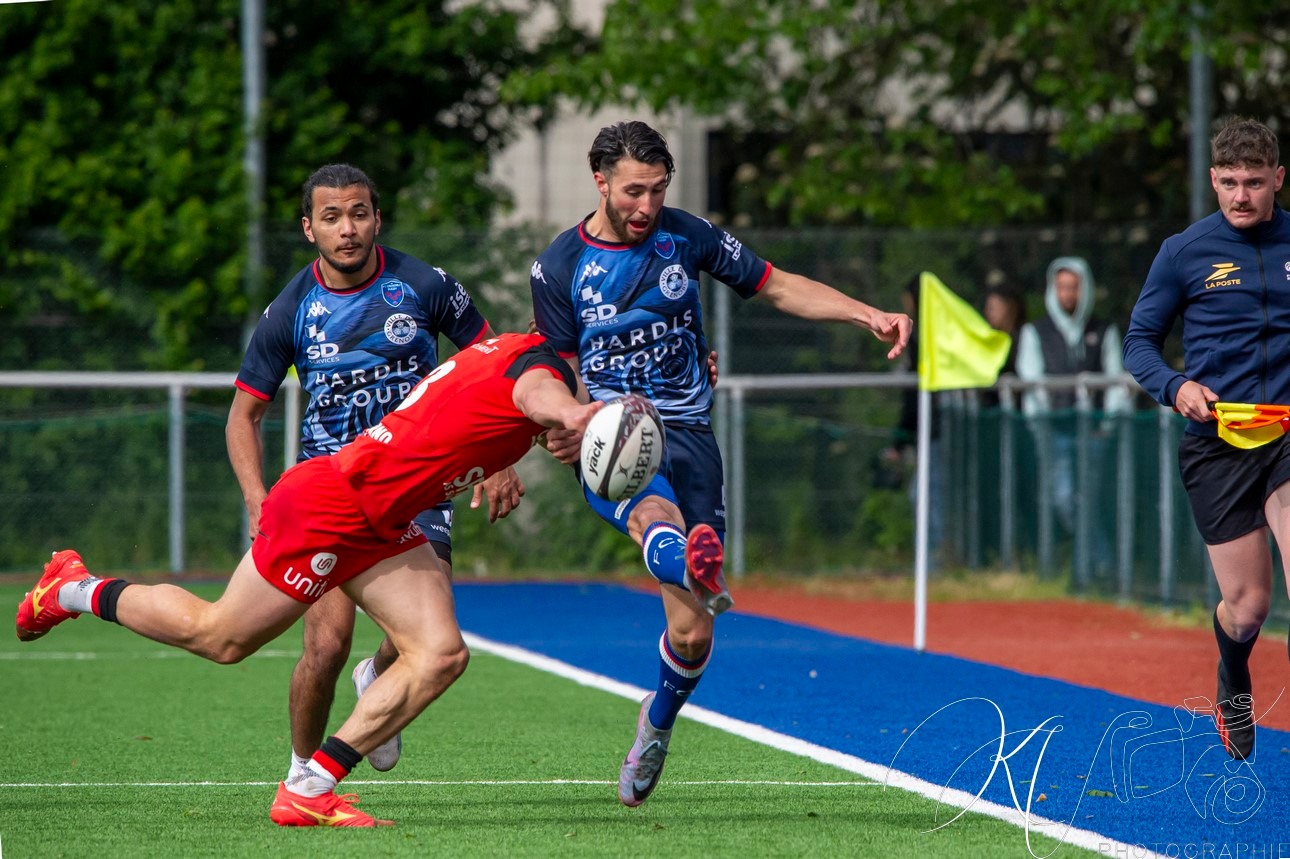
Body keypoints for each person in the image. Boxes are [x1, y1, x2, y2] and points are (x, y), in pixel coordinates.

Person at [16, 331, 605, 826]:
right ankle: (72, 588)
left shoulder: (515, 354)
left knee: (441, 653)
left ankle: (310, 788)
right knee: (221, 637)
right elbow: (540, 391)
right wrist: (575, 414)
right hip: (331, 510)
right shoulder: (542, 365)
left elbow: (522, 404)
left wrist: (572, 419)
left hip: (381, 520)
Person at [528, 120, 912, 807]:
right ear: (601, 183)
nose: (646, 205)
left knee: (693, 629)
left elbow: (778, 284)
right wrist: (561, 425)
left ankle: (657, 723)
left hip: (691, 432)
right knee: (654, 515)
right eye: (633, 191)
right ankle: (689, 556)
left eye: (657, 189)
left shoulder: (687, 235)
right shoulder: (558, 266)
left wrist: (867, 315)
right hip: (615, 435)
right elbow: (555, 371)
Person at [226, 163, 524, 788]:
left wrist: (500, 460)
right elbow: (243, 416)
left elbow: (497, 365)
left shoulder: (425, 285)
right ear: (310, 229)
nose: (348, 229)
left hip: (419, 482)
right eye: (331, 217)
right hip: (332, 488)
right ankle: (303, 765)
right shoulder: (289, 310)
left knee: (427, 633)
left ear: (377, 219)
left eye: (359, 213)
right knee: (326, 645)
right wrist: (256, 497)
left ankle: (378, 677)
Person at [1123, 117, 1290, 762]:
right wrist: (1174, 387)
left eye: (1254, 182)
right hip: (1218, 439)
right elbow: (1138, 343)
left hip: (1288, 434)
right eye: (1229, 183)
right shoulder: (1184, 251)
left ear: (1278, 178)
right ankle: (1233, 675)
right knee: (1248, 608)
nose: (1241, 196)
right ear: (1213, 181)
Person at [1016, 256, 1128, 572]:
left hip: (1092, 432)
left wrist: (1107, 424)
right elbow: (1032, 383)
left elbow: (1115, 379)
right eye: (1062, 287)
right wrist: (1041, 425)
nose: (1068, 294)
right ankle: (1100, 562)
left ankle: (1091, 571)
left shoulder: (1103, 330)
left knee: (1089, 499)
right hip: (1054, 432)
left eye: (1074, 287)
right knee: (1065, 499)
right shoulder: (1035, 332)